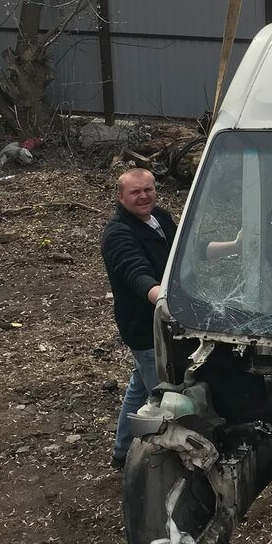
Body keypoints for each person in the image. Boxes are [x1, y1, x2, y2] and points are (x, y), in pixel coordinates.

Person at [100, 169, 177, 469]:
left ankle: (121, 452)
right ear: (120, 196)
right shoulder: (118, 233)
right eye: (135, 192)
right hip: (145, 328)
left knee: (139, 387)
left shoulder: (161, 218)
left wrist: (234, 246)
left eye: (149, 189)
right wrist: (168, 299)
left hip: (166, 320)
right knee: (163, 396)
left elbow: (183, 251)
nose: (144, 196)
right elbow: (138, 276)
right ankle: (161, 464)